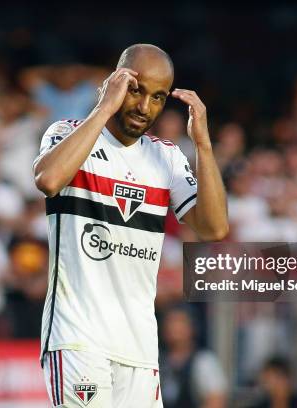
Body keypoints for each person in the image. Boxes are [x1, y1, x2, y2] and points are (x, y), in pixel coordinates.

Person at [33, 44, 228, 407]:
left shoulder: (166, 157)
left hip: (138, 349)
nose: (144, 107)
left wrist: (202, 144)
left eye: (157, 98)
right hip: (78, 338)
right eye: (136, 89)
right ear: (116, 82)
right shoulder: (67, 132)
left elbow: (214, 228)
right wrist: (104, 106)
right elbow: (48, 179)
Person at [159, 305, 228, 408]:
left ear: (191, 327)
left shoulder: (204, 361)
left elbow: (216, 401)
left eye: (179, 322)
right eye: (169, 322)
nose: (173, 328)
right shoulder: (158, 360)